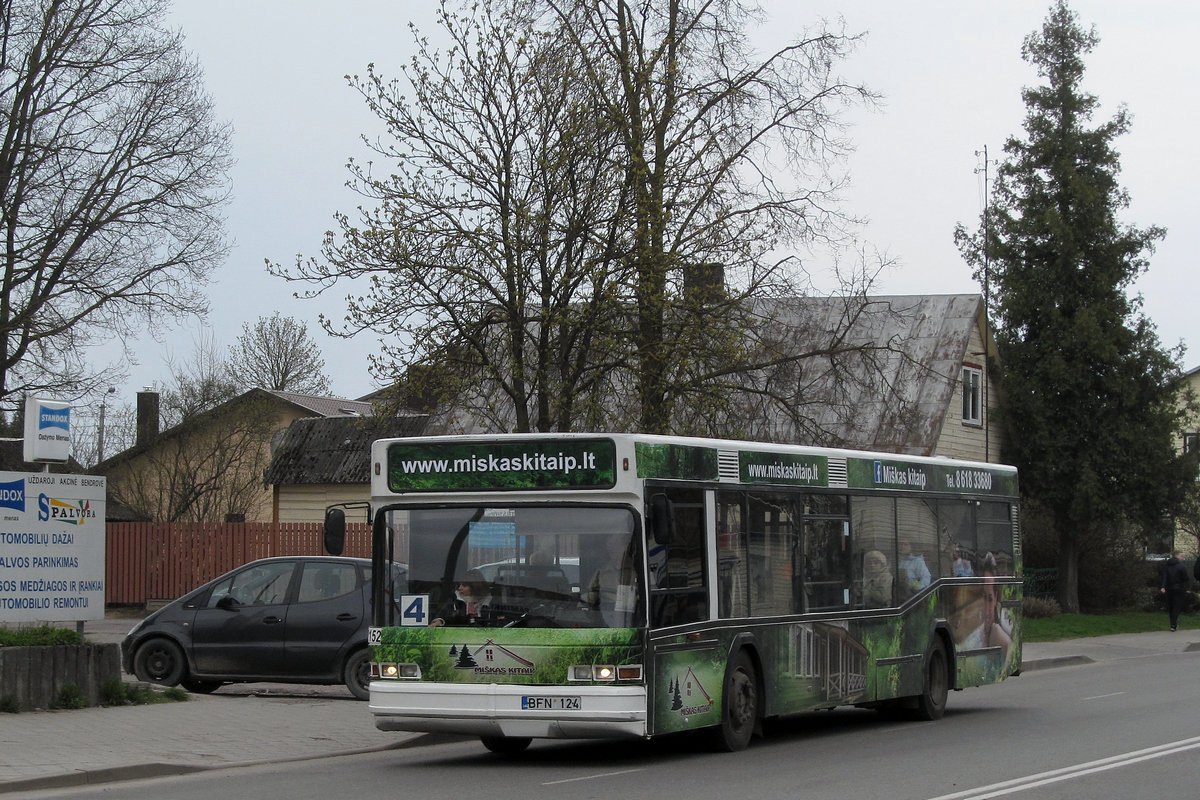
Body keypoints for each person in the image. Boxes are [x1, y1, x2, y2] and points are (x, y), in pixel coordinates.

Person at [585, 534, 636, 625]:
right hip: (606, 618)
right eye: (610, 549)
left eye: (616, 547)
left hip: (633, 617)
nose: (613, 552)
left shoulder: (640, 571)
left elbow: (652, 596)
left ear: (626, 548)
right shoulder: (601, 573)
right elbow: (589, 598)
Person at [1160, 550, 1190, 632]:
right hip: (1179, 588)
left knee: (1171, 606)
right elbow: (1186, 577)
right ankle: (1173, 624)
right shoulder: (1181, 566)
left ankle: (1172, 624)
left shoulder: (1167, 565)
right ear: (1177, 556)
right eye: (1181, 556)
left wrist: (1163, 587)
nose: (1183, 558)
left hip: (1169, 588)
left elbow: (1165, 577)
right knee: (1177, 606)